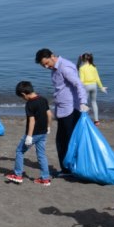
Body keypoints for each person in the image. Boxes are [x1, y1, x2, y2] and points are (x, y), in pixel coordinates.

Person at [35, 48, 89, 177]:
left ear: (52, 56)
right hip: (62, 109)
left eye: (46, 63)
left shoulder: (65, 67)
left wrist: (83, 102)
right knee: (62, 141)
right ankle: (67, 169)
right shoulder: (55, 69)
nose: (46, 67)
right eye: (43, 65)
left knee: (67, 141)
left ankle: (70, 170)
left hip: (71, 109)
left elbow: (79, 84)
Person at [5, 81, 53, 186]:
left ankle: (18, 175)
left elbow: (32, 120)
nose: (23, 99)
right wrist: (48, 126)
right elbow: (49, 114)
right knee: (41, 155)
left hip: (33, 134)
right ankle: (45, 178)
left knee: (19, 151)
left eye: (22, 97)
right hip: (43, 133)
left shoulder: (30, 104)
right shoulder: (43, 99)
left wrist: (29, 136)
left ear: (23, 94)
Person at [77, 53, 107, 126]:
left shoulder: (81, 68)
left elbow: (82, 80)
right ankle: (96, 121)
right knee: (94, 102)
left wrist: (79, 89)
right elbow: (97, 78)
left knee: (83, 103)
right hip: (94, 86)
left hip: (86, 86)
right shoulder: (94, 67)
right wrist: (101, 87)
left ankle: (84, 119)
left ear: (83, 59)